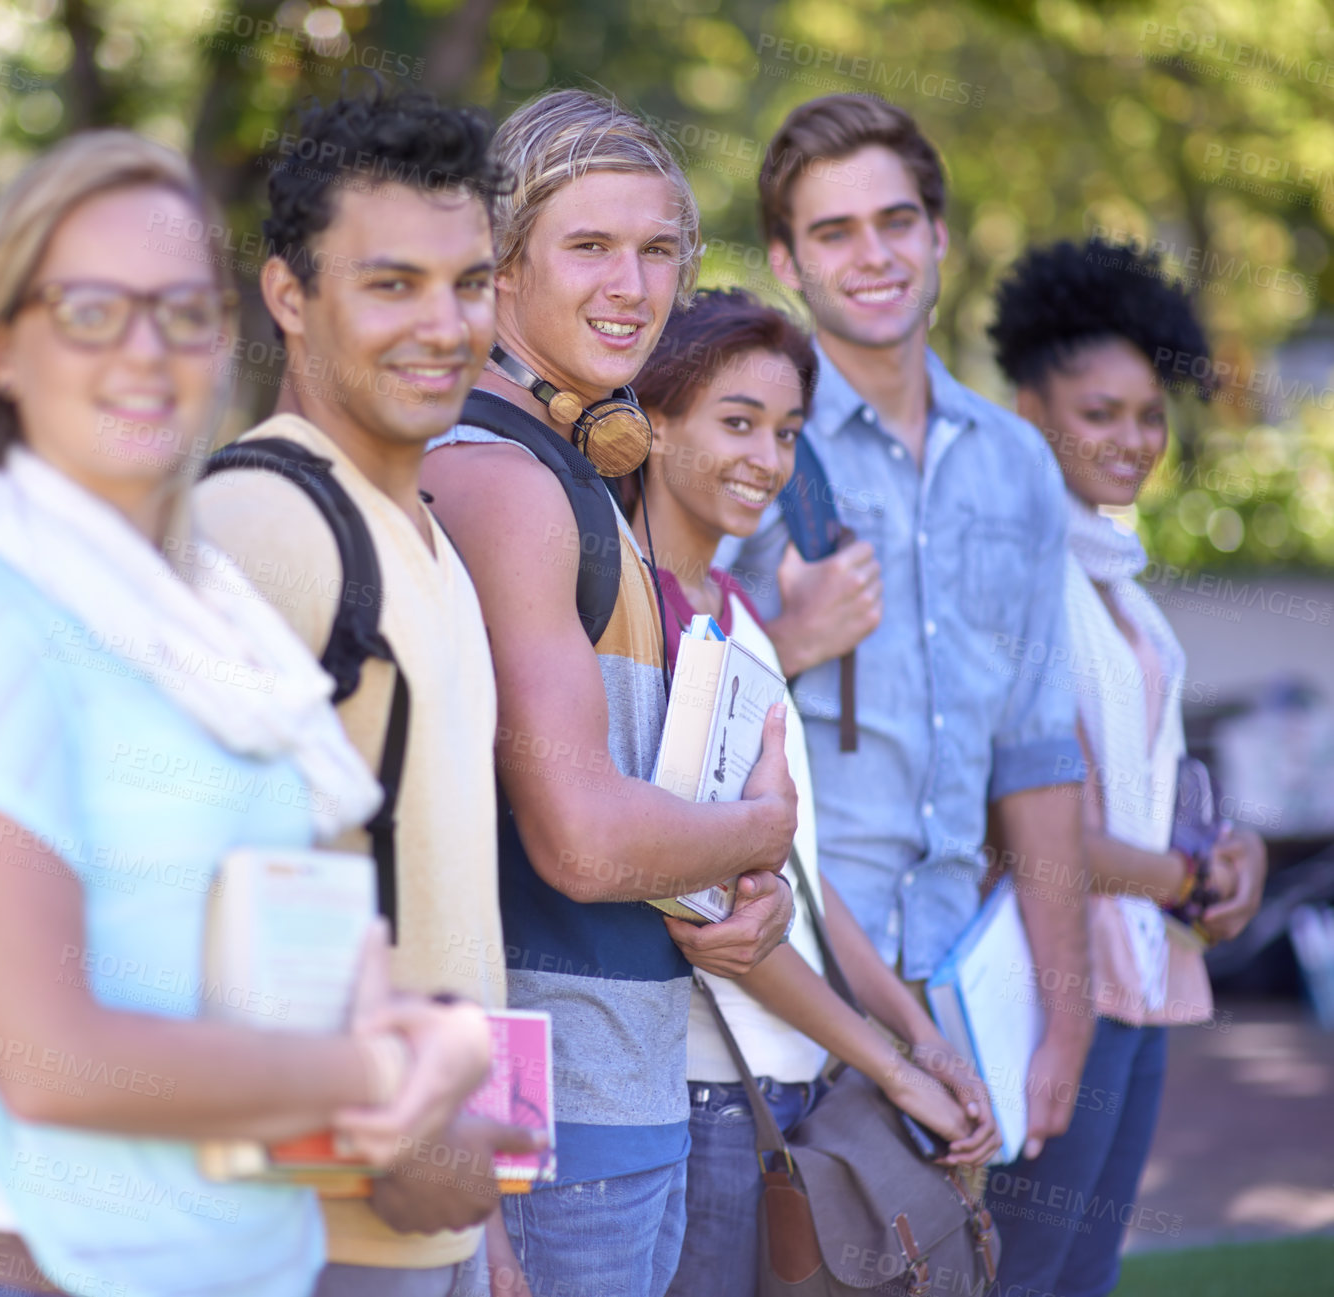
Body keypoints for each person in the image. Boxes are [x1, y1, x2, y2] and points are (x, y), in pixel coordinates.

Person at [0, 131, 492, 1297]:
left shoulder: (208, 627)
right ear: (2, 349)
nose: (147, 353)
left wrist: (429, 1050)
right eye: (94, 310)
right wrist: (368, 1072)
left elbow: (266, 951)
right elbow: (47, 1057)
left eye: (183, 312)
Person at [420, 90, 798, 1297]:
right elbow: (578, 842)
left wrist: (741, 884)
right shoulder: (504, 481)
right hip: (554, 1116)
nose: (631, 284)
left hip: (622, 1085)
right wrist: (761, 829)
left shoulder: (579, 469)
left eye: (657, 250)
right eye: (588, 246)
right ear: (501, 262)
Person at [191, 86, 542, 1297]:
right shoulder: (259, 524)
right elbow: (162, 907)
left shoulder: (423, 535)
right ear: (289, 297)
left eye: (469, 282)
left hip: (430, 1212)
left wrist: (478, 1217)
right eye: (390, 284)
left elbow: (430, 892)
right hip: (304, 1229)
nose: (443, 324)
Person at [719, 93, 1095, 1168]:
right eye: (832, 232)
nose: (871, 255)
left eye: (893, 222)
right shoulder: (754, 437)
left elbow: (1037, 750)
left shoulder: (1014, 460)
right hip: (785, 978)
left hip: (964, 978)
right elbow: (670, 710)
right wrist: (788, 637)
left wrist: (1063, 1012)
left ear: (937, 235)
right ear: (789, 263)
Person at [625, 288, 1000, 1297]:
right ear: (652, 424)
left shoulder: (735, 607)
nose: (768, 457)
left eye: (785, 431)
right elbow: (723, 926)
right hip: (715, 1095)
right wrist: (890, 1067)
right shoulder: (648, 623)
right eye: (735, 422)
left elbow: (801, 876)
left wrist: (919, 1033)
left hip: (792, 1084)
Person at [982, 237, 1268, 1296]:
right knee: (1024, 1274)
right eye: (1097, 413)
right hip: (1056, 977)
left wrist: (1225, 853)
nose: (1132, 439)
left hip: (1142, 974)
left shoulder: (1120, 585)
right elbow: (1014, 822)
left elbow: (1152, 795)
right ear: (1025, 411)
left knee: (1082, 1278)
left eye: (1147, 414)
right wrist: (1181, 878)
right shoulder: (1017, 575)